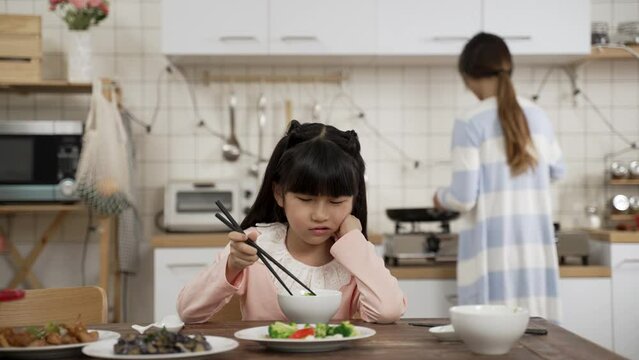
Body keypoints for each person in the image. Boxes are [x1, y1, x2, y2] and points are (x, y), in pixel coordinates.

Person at [178, 120, 407, 323]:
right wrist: (232, 266)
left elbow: (388, 311)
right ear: (279, 193)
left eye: (336, 202)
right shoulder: (255, 244)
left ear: (354, 201)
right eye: (306, 199)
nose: (320, 215)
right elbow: (188, 311)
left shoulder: (355, 256)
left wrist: (354, 241)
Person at [433, 33, 565, 322]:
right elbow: (558, 171)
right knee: (538, 340)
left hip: (491, 260)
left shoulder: (470, 122)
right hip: (535, 255)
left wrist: (440, 196)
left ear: (467, 76)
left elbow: (464, 198)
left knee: (490, 338)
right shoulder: (539, 116)